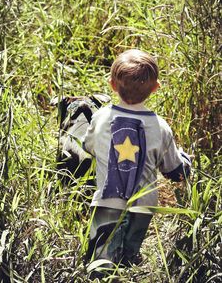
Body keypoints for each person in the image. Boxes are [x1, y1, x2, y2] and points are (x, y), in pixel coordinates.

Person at [82, 49, 191, 267]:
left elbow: (88, 146)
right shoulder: (160, 127)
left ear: (112, 85)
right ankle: (129, 263)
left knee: (100, 258)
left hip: (107, 201)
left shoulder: (101, 117)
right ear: (155, 88)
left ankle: (102, 270)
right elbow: (174, 171)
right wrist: (185, 163)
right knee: (130, 255)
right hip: (143, 205)